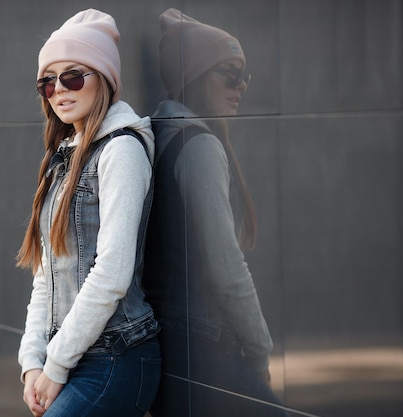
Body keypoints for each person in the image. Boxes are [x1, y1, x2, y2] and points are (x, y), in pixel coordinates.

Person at [16, 9, 161, 417]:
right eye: (48, 81)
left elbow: (113, 273)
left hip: (116, 358)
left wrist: (56, 365)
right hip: (71, 357)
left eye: (74, 76)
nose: (59, 89)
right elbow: (46, 276)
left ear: (106, 79)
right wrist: (33, 362)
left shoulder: (122, 150)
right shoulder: (63, 156)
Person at [144, 9, 288, 416]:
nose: (240, 85)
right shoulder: (198, 146)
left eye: (244, 75)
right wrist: (260, 351)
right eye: (229, 73)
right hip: (202, 350)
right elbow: (227, 267)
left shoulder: (154, 133)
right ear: (195, 76)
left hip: (165, 350)